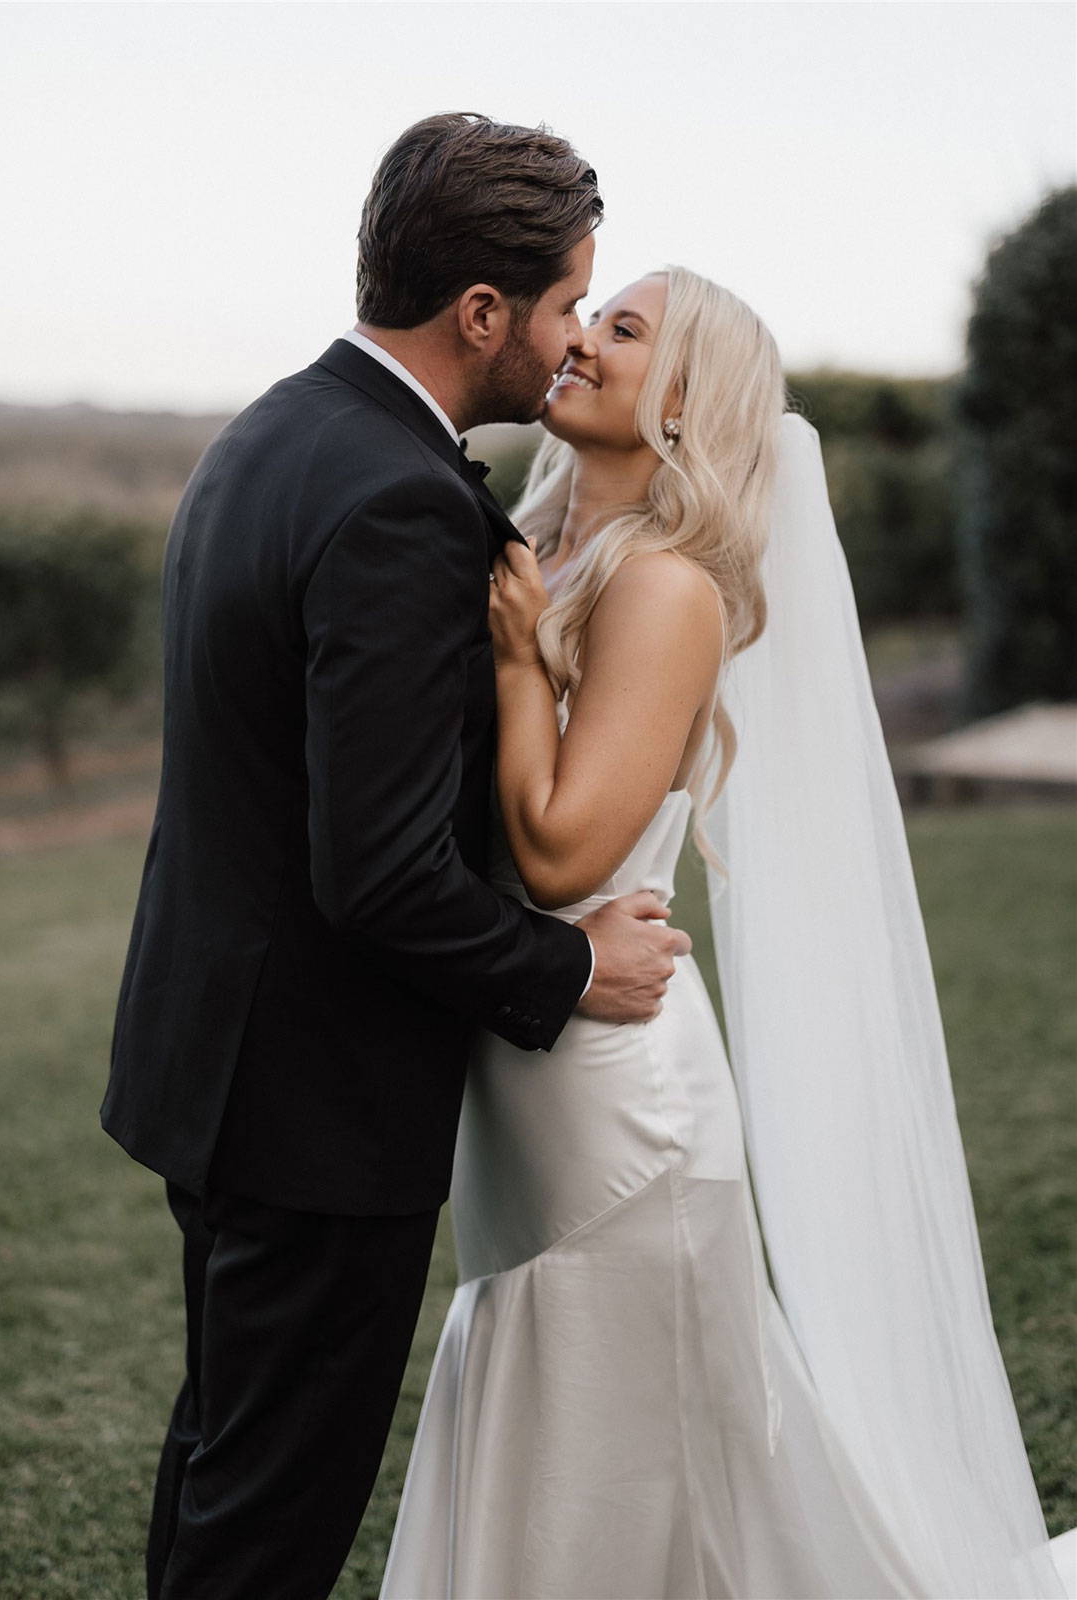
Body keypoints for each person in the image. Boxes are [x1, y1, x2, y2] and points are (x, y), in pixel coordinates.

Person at [379, 267, 1071, 1599]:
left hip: (614, 1088)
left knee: (635, 1467)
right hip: (520, 1060)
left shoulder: (667, 588)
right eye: (594, 318)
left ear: (689, 406)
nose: (578, 340)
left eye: (623, 332)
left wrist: (523, 663)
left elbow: (564, 849)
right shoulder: (536, 544)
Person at [100, 114, 692, 1600]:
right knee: (270, 1515)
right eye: (564, 305)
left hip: (221, 1060)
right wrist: (566, 964)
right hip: (314, 1099)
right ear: (479, 311)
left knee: (226, 1456)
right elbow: (375, 869)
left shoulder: (276, 430)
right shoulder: (399, 503)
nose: (568, 343)